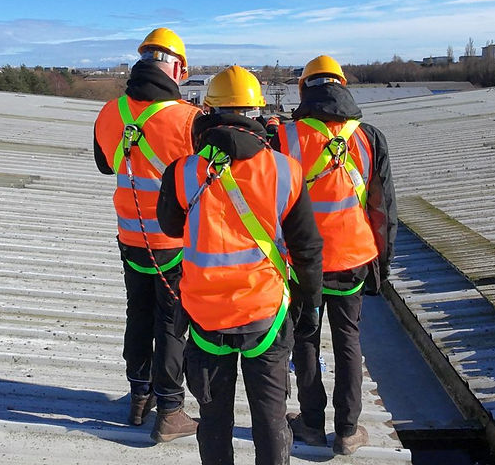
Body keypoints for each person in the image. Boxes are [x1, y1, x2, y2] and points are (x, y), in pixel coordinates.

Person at [157, 66, 323, 465]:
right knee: (270, 419)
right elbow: (307, 247)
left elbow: (170, 225)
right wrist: (308, 305)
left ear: (208, 111)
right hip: (264, 314)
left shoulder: (184, 171)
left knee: (214, 420)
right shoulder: (285, 170)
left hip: (205, 316)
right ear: (258, 114)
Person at [272, 55, 397, 455]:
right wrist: (383, 263)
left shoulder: (284, 138)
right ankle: (347, 430)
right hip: (354, 259)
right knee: (348, 341)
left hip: (301, 263)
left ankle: (310, 423)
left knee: (305, 340)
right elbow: (383, 208)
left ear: (302, 89)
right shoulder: (369, 137)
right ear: (343, 86)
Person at [93, 27, 200, 443]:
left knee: (137, 314)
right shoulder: (189, 119)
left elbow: (106, 165)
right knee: (172, 323)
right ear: (176, 67)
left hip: (129, 237)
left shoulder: (108, 112)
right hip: (174, 244)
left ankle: (140, 396)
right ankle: (170, 409)